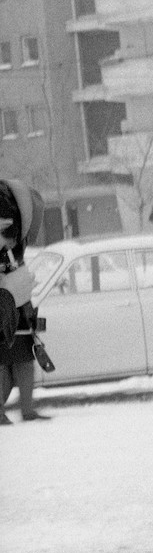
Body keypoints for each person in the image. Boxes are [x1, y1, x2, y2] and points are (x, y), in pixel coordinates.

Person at [0, 179, 46, 424]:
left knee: (25, 363)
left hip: (20, 316)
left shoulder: (11, 252)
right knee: (4, 369)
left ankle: (27, 409)